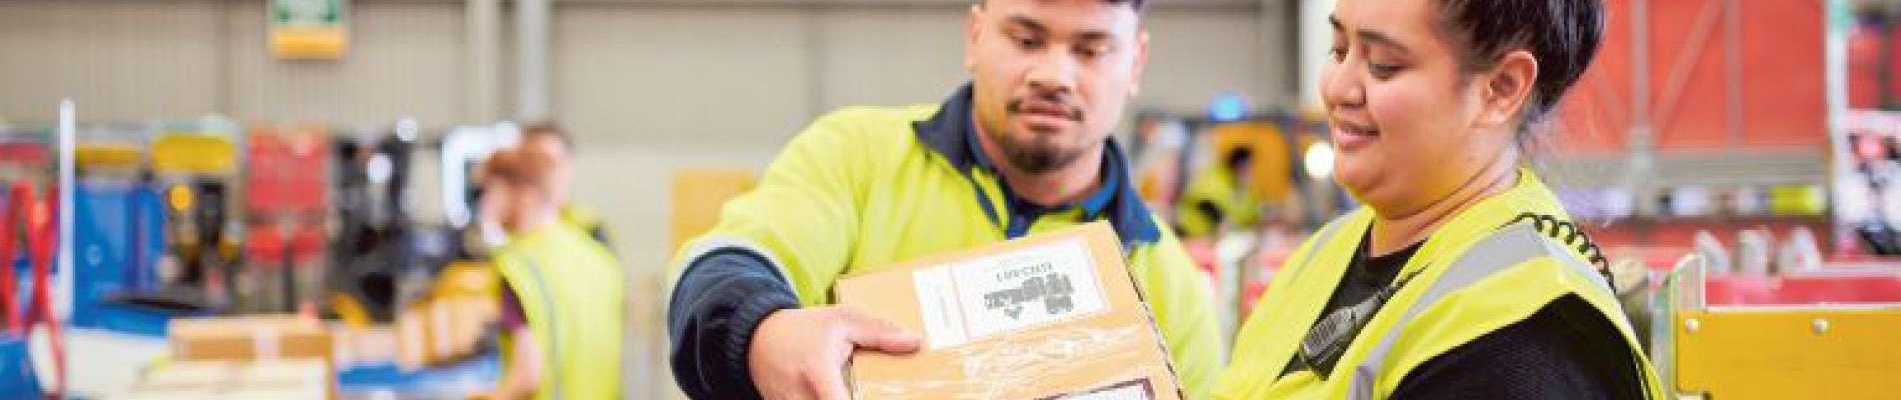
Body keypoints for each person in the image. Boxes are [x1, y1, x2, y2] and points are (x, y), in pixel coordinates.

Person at [664, 0, 1225, 398]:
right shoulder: (856, 156)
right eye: (1026, 39)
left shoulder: (1166, 282)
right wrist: (761, 332)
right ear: (975, 37)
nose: (1055, 75)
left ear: (1135, 63)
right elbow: (724, 264)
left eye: (1092, 49)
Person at [1212, 0, 1666, 398]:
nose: (1337, 89)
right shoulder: (1327, 251)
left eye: (1384, 64)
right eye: (1339, 51)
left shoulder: (1520, 339)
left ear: (1502, 88)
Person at [473, 147, 627, 400]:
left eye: (490, 191)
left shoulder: (520, 267)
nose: (484, 204)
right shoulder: (598, 258)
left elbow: (526, 378)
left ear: (525, 195)